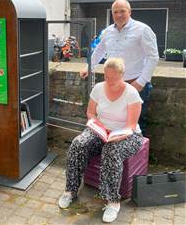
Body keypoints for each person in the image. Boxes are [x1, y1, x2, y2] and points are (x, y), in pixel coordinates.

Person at [59, 58, 143, 223]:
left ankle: (112, 202)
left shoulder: (132, 93)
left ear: (122, 75)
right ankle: (70, 191)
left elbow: (131, 126)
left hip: (127, 135)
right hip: (101, 130)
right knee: (78, 144)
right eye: (106, 77)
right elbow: (90, 113)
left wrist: (115, 136)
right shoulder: (98, 88)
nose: (109, 81)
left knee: (111, 151)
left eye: (114, 77)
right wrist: (96, 125)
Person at [80, 0, 159, 135]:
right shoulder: (107, 32)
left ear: (130, 12)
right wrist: (89, 67)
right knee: (113, 120)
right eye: (115, 12)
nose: (118, 15)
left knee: (137, 123)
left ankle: (137, 155)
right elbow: (99, 51)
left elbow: (153, 57)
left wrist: (140, 82)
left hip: (134, 83)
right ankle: (113, 148)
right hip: (112, 84)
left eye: (122, 11)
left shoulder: (143, 30)